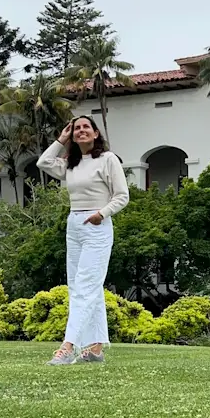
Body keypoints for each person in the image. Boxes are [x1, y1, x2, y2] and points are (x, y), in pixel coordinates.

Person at [37, 116, 130, 365]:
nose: (81, 131)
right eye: (76, 128)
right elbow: (43, 162)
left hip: (97, 226)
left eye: (85, 127)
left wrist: (102, 214)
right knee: (84, 287)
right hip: (74, 226)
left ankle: (68, 347)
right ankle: (96, 348)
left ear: (96, 133)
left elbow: (122, 196)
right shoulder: (71, 164)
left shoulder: (108, 159)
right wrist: (61, 138)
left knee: (85, 288)